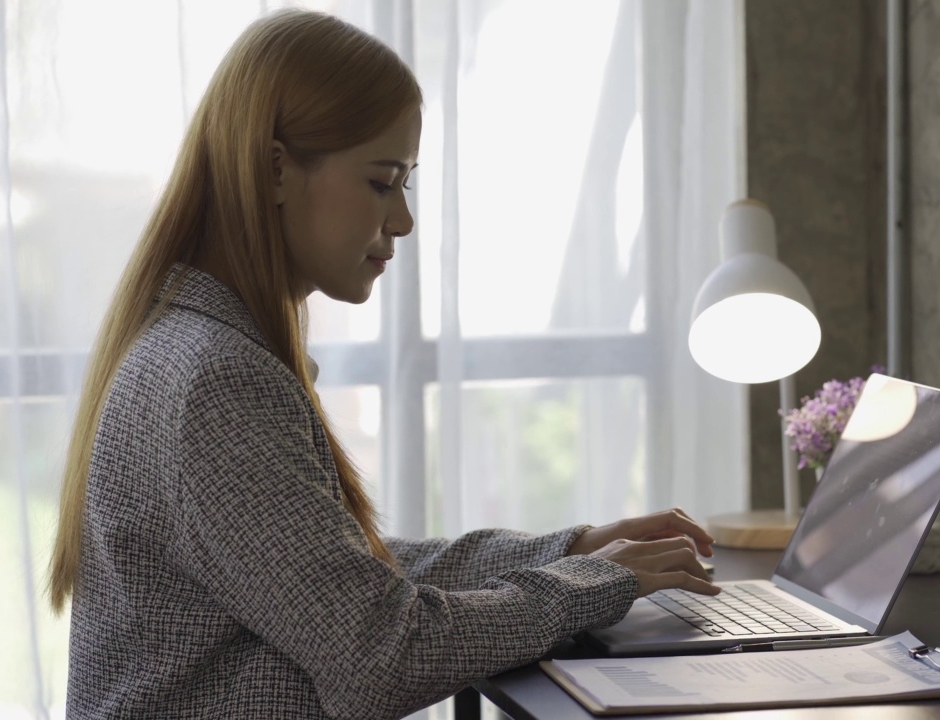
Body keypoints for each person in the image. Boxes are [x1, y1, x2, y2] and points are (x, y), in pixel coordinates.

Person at [44, 9, 719, 720]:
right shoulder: (215, 380)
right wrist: (593, 583)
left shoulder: (198, 343)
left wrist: (576, 547)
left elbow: (343, 576)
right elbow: (380, 655)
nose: (402, 219)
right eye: (381, 180)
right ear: (275, 169)